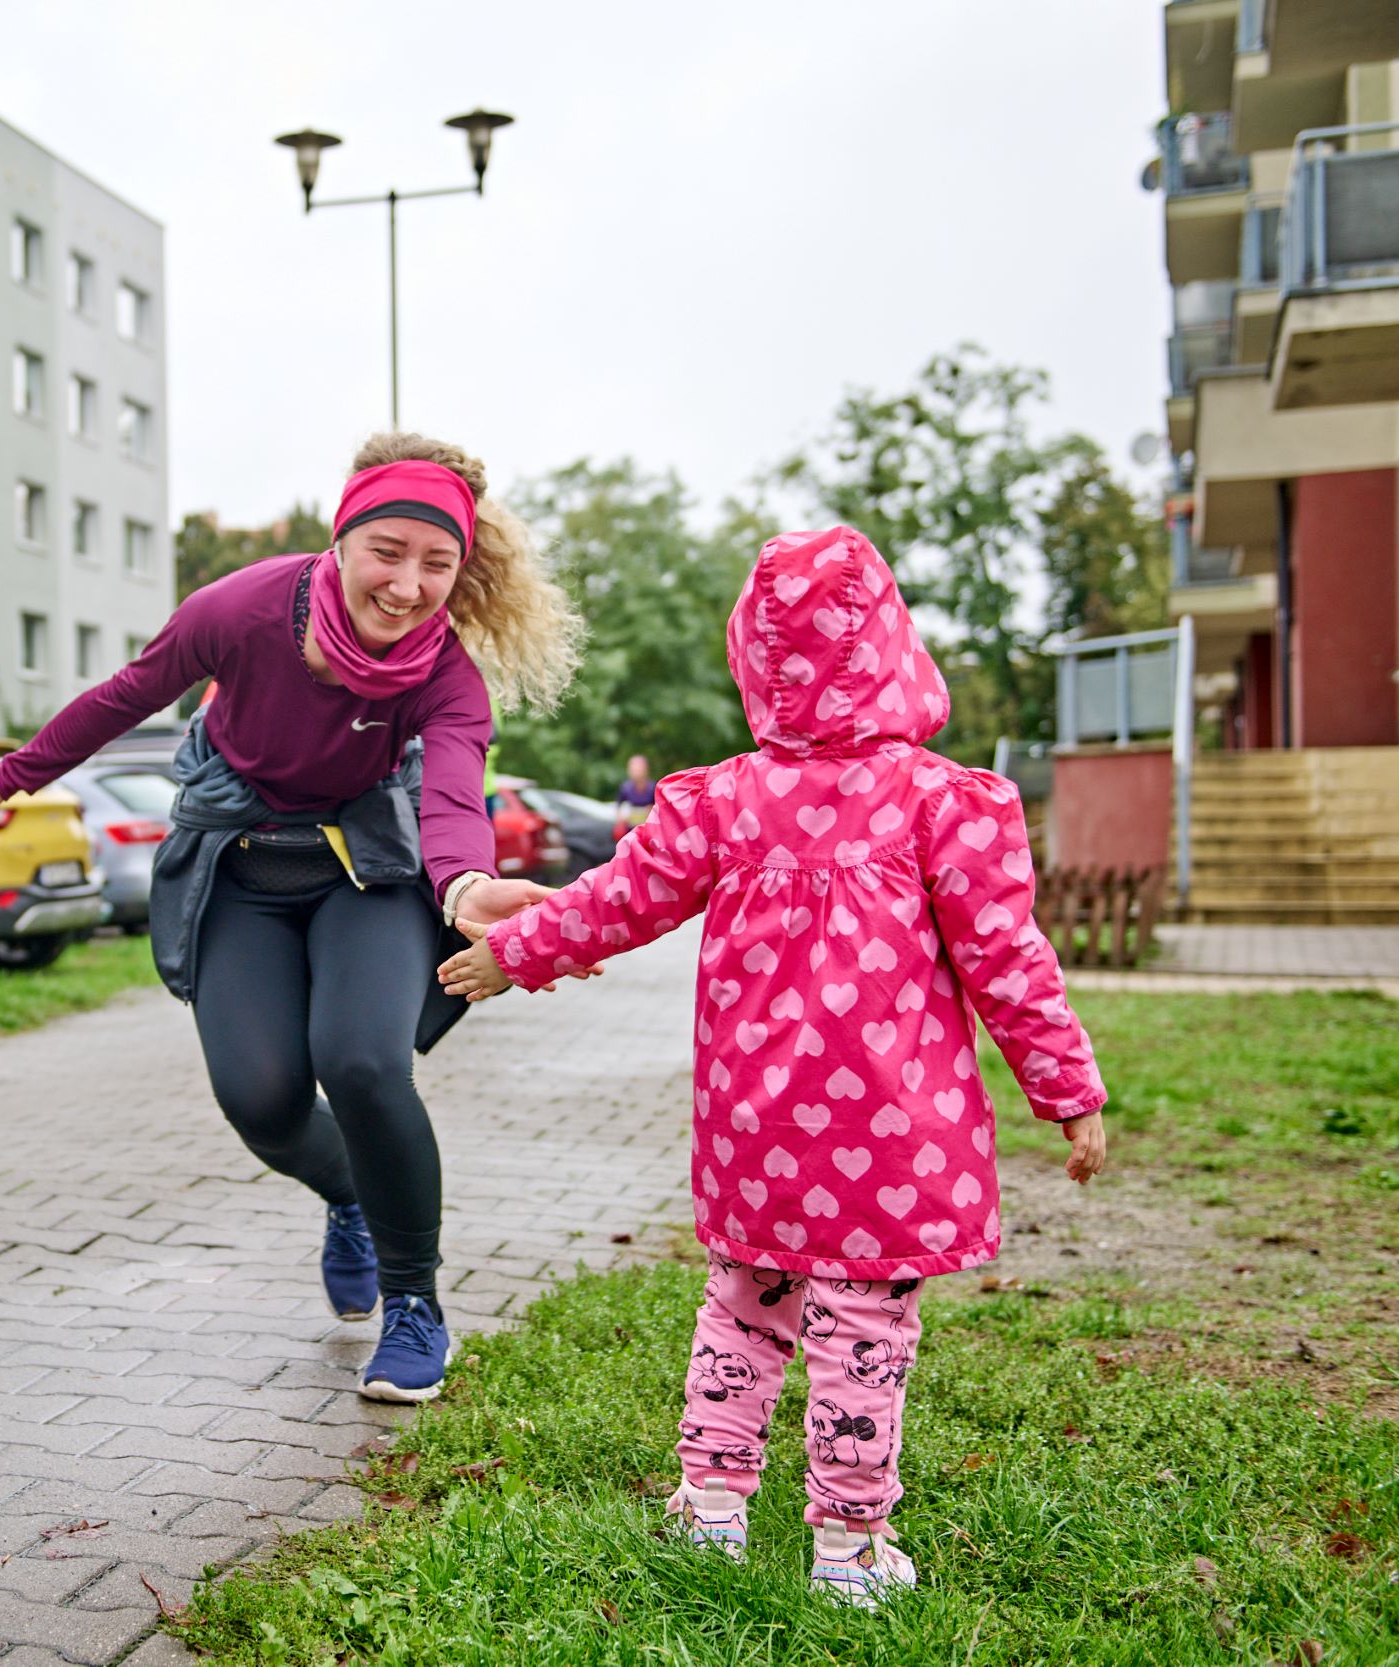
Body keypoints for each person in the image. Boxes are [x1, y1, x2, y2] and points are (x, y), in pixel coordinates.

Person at [440, 526, 1107, 1607]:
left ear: (755, 656)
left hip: (758, 1125)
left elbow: (620, 898)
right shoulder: (940, 800)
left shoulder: (724, 803)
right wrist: (1068, 1090)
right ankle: (848, 1544)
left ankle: (710, 1508)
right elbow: (1006, 957)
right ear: (893, 645)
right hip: (891, 1132)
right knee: (866, 1323)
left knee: (745, 1302)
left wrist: (518, 949)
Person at [0, 433, 582, 1402]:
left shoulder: (447, 676)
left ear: (461, 568)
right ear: (341, 539)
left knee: (363, 1062)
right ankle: (348, 1196)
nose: (407, 584)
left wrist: (463, 888)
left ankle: (414, 1304)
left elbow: (452, 798)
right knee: (263, 1101)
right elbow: (128, 694)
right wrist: (4, 776)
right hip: (240, 870)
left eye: (436, 562)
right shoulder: (239, 611)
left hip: (364, 875)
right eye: (388, 550)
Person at [613, 754, 657, 833]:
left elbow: (659, 809)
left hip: (649, 829)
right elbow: (618, 807)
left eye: (638, 769)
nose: (635, 773)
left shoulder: (653, 787)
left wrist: (652, 811)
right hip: (630, 830)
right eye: (633, 769)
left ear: (646, 770)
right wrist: (621, 818)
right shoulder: (625, 788)